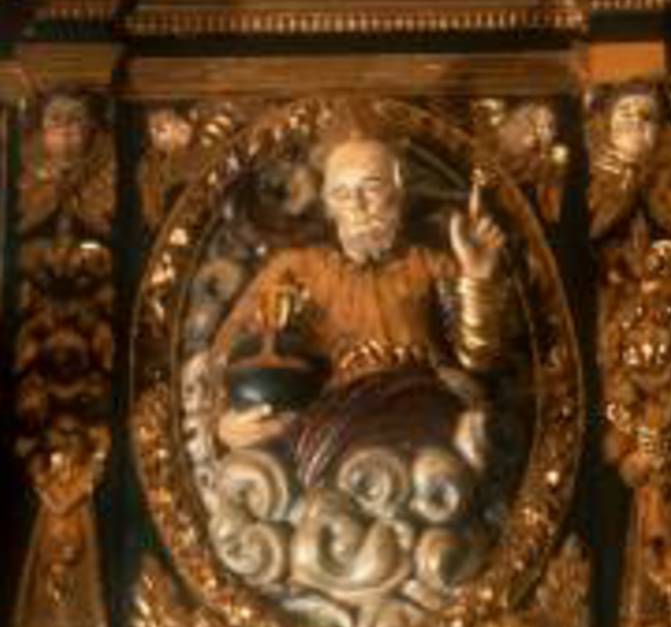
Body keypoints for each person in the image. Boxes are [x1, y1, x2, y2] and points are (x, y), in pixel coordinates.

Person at [212, 119, 510, 486]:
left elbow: (480, 359)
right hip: (333, 425)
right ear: (327, 206)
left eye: (372, 187)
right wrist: (225, 421)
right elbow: (230, 352)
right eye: (341, 193)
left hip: (428, 412)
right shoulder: (295, 270)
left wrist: (477, 277)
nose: (357, 204)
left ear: (399, 194)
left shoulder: (431, 265)